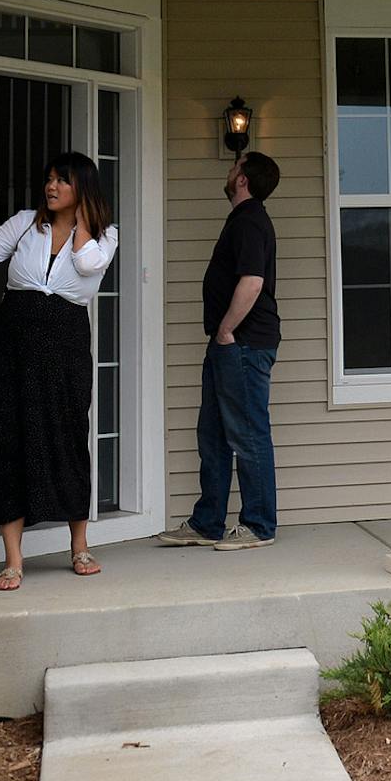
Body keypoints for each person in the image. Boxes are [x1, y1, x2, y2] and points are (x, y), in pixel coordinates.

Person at [0, 152, 119, 591]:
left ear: (82, 189)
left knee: (67, 435)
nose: (51, 187)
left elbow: (88, 265)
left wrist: (83, 222)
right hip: (13, 340)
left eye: (62, 181)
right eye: (49, 179)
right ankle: (13, 559)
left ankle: (79, 545)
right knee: (9, 437)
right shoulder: (25, 223)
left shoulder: (106, 237)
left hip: (66, 343)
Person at [159, 151, 281, 551]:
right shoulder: (244, 221)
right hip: (228, 344)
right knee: (212, 435)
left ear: (242, 179)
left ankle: (259, 525)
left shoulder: (249, 221)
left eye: (234, 167)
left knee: (247, 433)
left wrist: (227, 330)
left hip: (242, 344)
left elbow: (252, 280)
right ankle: (207, 522)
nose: (229, 173)